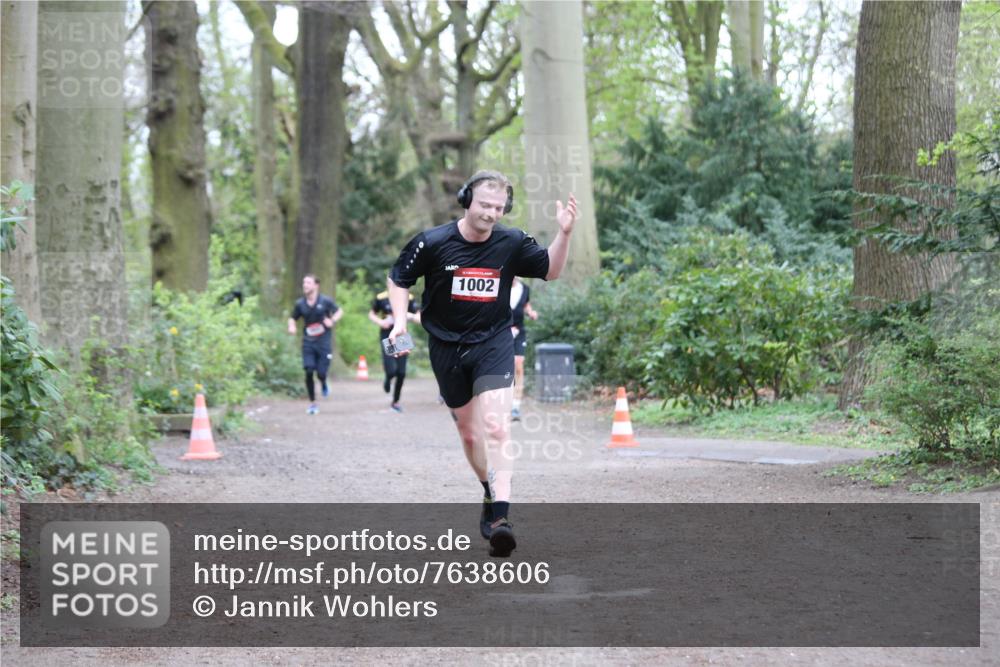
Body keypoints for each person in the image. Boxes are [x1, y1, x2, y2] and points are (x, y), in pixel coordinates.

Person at [386, 169, 577, 557]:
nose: (491, 213)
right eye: (484, 205)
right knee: (471, 436)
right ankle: (490, 493)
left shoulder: (511, 242)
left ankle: (502, 519)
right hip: (445, 347)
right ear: (466, 200)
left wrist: (565, 233)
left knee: (496, 427)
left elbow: (551, 271)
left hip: (493, 342)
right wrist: (399, 323)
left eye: (498, 206)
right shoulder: (433, 242)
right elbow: (399, 279)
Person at [287, 274, 343, 415]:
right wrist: (292, 326)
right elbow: (292, 318)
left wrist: (332, 321)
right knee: (309, 370)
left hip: (323, 343)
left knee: (321, 373)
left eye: (308, 282)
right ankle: (313, 403)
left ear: (316, 285)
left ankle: (323, 382)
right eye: (304, 282)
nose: (305, 285)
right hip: (308, 343)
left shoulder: (325, 301)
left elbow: (339, 311)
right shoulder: (300, 304)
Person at [368, 290, 420, 412]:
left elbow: (419, 316)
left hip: (402, 335)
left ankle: (395, 402)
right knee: (391, 370)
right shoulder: (381, 297)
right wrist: (380, 322)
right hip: (387, 334)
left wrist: (409, 316)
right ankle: (388, 377)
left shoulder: (409, 297)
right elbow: (371, 314)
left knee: (401, 373)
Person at [509, 277, 538, 422]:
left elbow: (526, 304)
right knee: (502, 367)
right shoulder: (500, 285)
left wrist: (531, 312)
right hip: (500, 332)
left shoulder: (525, 289)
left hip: (519, 332)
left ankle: (515, 406)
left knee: (518, 365)